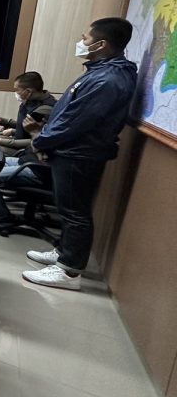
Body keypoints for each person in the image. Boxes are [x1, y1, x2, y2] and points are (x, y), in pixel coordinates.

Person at [22, 18, 137, 290]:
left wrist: (41, 141)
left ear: (101, 44)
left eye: (85, 38)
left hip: (79, 154)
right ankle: (63, 251)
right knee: (69, 208)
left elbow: (74, 122)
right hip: (72, 151)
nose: (81, 43)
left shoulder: (108, 79)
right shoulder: (102, 71)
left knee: (75, 212)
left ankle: (69, 271)